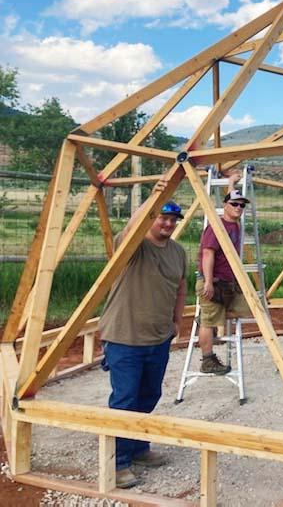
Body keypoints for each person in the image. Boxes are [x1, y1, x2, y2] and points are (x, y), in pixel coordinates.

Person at [98, 184, 187, 489]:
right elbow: (133, 227)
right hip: (125, 336)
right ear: (151, 218)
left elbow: (181, 285)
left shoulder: (177, 251)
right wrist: (153, 197)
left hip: (158, 338)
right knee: (124, 399)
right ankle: (118, 462)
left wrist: (178, 320)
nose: (168, 224)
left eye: (173, 220)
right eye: (162, 218)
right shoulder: (134, 245)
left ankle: (137, 448)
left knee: (150, 395)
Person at [196, 172, 253, 375]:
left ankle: (206, 319)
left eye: (242, 205)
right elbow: (208, 254)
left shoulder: (234, 223)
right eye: (235, 204)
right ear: (225, 206)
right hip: (214, 282)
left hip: (227, 283)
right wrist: (208, 282)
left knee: (248, 308)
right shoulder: (217, 227)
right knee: (209, 321)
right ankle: (207, 360)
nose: (238, 207)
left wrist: (230, 184)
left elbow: (232, 198)